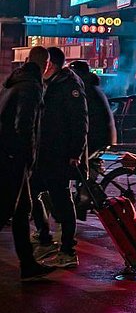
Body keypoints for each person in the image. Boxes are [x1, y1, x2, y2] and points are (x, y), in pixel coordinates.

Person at [0, 45, 57, 281]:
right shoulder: (32, 87)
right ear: (45, 65)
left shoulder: (14, 83)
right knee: (6, 209)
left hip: (7, 153)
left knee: (22, 211)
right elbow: (25, 125)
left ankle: (28, 264)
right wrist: (28, 157)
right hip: (14, 157)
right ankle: (28, 264)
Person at [31, 47, 88, 268]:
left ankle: (67, 249)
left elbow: (80, 121)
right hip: (44, 152)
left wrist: (75, 152)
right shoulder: (51, 84)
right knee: (30, 193)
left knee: (62, 199)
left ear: (50, 65)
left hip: (61, 154)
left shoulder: (69, 85)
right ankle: (44, 235)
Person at [69, 60, 116, 154]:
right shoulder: (92, 85)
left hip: (95, 137)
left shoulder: (82, 88)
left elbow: (79, 115)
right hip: (105, 136)